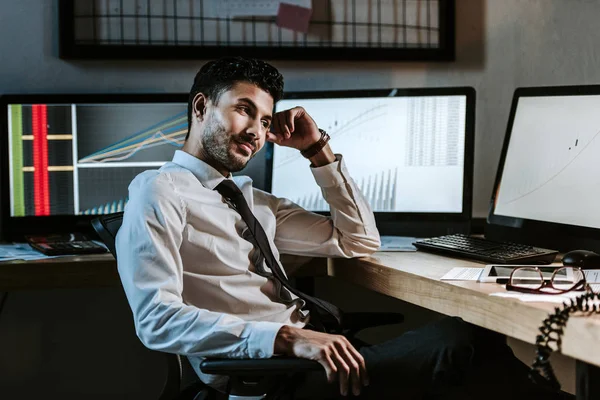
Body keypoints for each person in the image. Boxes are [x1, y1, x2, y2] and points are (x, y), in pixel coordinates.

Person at [116, 56, 572, 400]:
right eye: (243, 110)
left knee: (475, 341)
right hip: (273, 375)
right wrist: (286, 337)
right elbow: (156, 320)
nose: (256, 130)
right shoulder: (159, 192)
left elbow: (356, 240)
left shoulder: (252, 200)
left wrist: (317, 151)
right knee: (463, 346)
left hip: (324, 351)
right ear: (201, 106)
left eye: (265, 120)